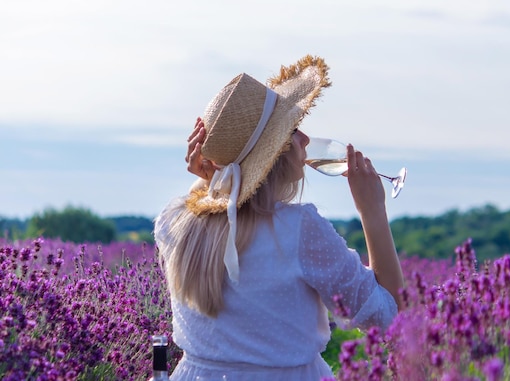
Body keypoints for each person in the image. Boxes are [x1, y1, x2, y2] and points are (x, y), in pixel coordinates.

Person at [154, 55, 404, 381]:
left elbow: (212, 205)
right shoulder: (299, 231)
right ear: (274, 153)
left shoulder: (174, 224)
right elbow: (390, 317)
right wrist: (372, 212)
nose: (305, 140)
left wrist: (211, 178)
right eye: (293, 129)